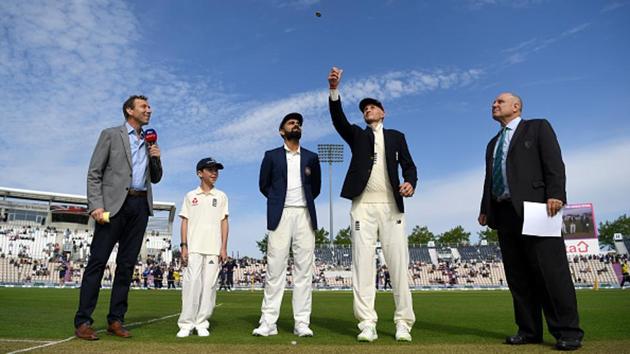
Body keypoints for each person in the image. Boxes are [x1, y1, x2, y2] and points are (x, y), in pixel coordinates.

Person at [478, 92, 584, 351]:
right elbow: (490, 178)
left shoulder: (537, 128)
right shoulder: (493, 143)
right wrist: (485, 208)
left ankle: (567, 331)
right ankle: (528, 331)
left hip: (538, 209)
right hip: (504, 213)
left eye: (499, 101)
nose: (494, 104)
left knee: (551, 272)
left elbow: (554, 164)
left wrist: (556, 194)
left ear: (516, 107)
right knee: (518, 277)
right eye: (493, 102)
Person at [327, 67, 417, 342]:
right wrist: (334, 90)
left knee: (398, 265)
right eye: (365, 108)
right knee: (363, 266)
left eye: (372, 106)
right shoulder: (357, 135)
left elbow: (409, 166)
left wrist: (410, 183)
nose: (368, 110)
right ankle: (367, 323)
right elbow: (339, 120)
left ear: (383, 112)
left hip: (391, 207)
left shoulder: (396, 136)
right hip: (362, 207)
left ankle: (403, 322)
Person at [74, 95, 162, 340]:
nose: (149, 110)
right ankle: (83, 321)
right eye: (144, 106)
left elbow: (155, 178)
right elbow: (94, 173)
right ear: (129, 110)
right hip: (113, 207)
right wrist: (96, 206)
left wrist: (156, 156)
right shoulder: (111, 135)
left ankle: (116, 320)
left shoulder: (149, 140)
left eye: (149, 106)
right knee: (98, 262)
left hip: (140, 205)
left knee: (126, 266)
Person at [253, 112, 321, 337]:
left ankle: (301, 322)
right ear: (282, 131)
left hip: (304, 215)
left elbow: (316, 189)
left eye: (299, 123)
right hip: (280, 215)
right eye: (291, 123)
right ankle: (268, 322)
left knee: (304, 271)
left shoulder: (311, 157)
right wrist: (277, 201)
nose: (296, 125)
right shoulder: (271, 156)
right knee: (275, 269)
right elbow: (264, 185)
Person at [176, 157, 229, 338]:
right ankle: (186, 323)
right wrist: (184, 246)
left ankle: (201, 322)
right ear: (200, 173)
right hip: (194, 248)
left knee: (209, 286)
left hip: (213, 248)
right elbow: (184, 221)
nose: (214, 173)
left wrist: (223, 247)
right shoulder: (191, 196)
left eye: (216, 170)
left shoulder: (221, 196)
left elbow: (224, 222)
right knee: (191, 285)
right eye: (210, 169)